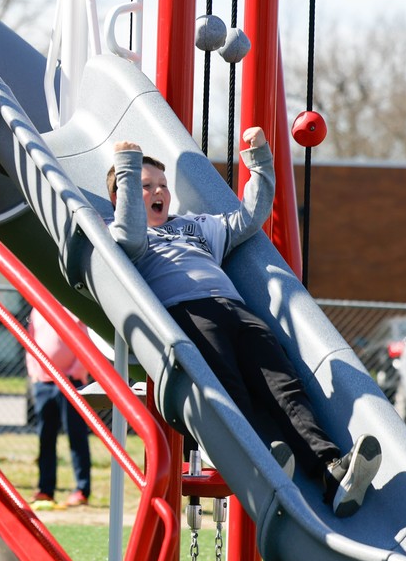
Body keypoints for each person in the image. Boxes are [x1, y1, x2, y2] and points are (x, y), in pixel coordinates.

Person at [106, 129, 382, 517]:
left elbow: (249, 217)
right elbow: (130, 234)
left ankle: (331, 470)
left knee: (284, 385)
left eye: (163, 185)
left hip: (235, 309)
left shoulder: (194, 226)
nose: (158, 193)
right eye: (145, 185)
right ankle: (258, 460)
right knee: (228, 384)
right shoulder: (122, 234)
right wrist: (127, 168)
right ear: (121, 196)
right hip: (188, 312)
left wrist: (259, 163)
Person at [26, 307, 92, 509]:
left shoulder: (73, 307)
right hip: (44, 383)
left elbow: (86, 343)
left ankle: (81, 489)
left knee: (76, 436)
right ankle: (45, 489)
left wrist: (75, 372)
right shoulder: (38, 308)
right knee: (46, 438)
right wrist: (35, 373)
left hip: (72, 382)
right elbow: (30, 340)